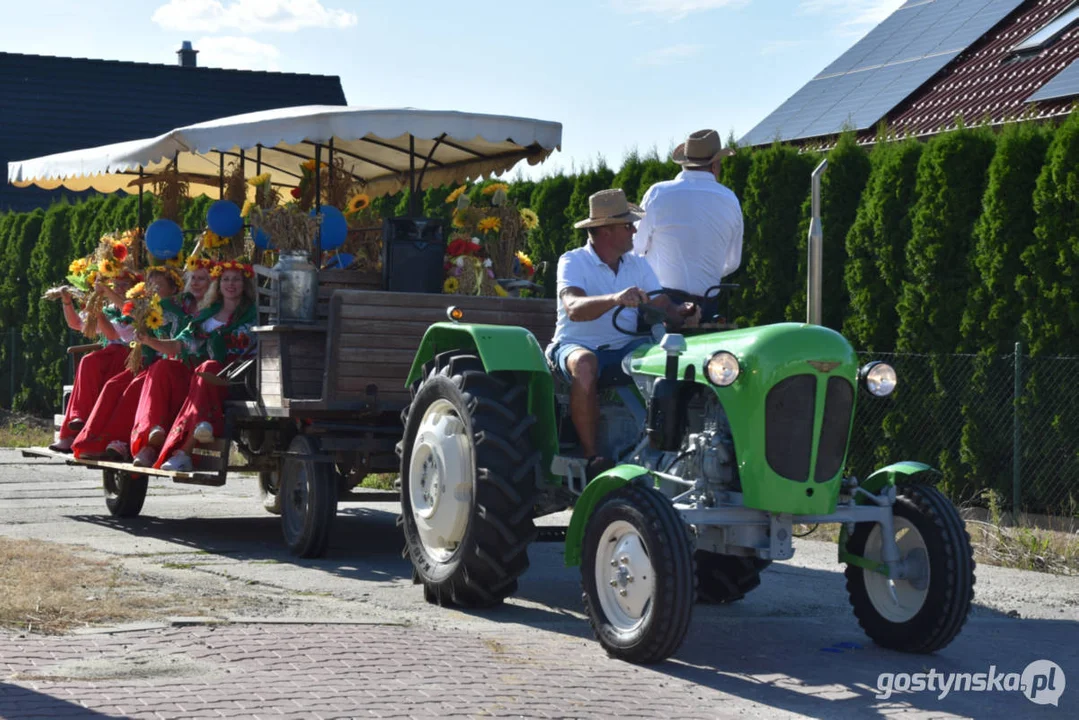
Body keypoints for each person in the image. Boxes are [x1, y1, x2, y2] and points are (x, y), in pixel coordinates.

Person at [546, 189, 698, 478]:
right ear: (605, 230)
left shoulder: (638, 264)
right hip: (573, 345)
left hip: (627, 346)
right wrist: (615, 298)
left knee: (669, 359)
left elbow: (662, 306)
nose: (634, 230)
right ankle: (592, 459)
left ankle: (669, 449)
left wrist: (684, 312)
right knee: (585, 364)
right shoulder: (573, 260)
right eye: (627, 225)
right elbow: (574, 308)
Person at [71, 264, 198, 461]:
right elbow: (130, 310)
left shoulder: (172, 307)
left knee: (134, 388)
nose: (151, 290)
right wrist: (106, 293)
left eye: (158, 286)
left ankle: (121, 442)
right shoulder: (152, 307)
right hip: (154, 365)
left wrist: (108, 291)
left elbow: (131, 311)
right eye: (150, 285)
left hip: (173, 368)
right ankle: (94, 441)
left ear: (173, 289)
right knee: (113, 386)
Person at [150, 262, 258, 472]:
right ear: (217, 285)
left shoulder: (254, 314)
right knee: (179, 368)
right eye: (225, 279)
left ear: (245, 284)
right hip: (204, 374)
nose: (231, 284)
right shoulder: (207, 315)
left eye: (236, 279)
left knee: (207, 369)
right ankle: (170, 440)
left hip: (239, 376)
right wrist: (148, 341)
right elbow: (181, 344)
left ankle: (184, 452)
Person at [633, 129, 743, 320]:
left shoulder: (658, 193)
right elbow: (732, 262)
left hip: (661, 304)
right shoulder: (730, 198)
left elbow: (636, 248)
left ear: (684, 162)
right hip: (709, 303)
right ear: (715, 165)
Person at [49, 273, 138, 453]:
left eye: (125, 284)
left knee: (102, 363)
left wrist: (97, 313)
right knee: (88, 361)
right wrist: (67, 301)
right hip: (111, 355)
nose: (120, 288)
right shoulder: (109, 308)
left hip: (132, 357)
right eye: (116, 284)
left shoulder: (137, 308)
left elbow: (113, 335)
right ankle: (75, 423)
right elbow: (76, 324)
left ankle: (89, 434)